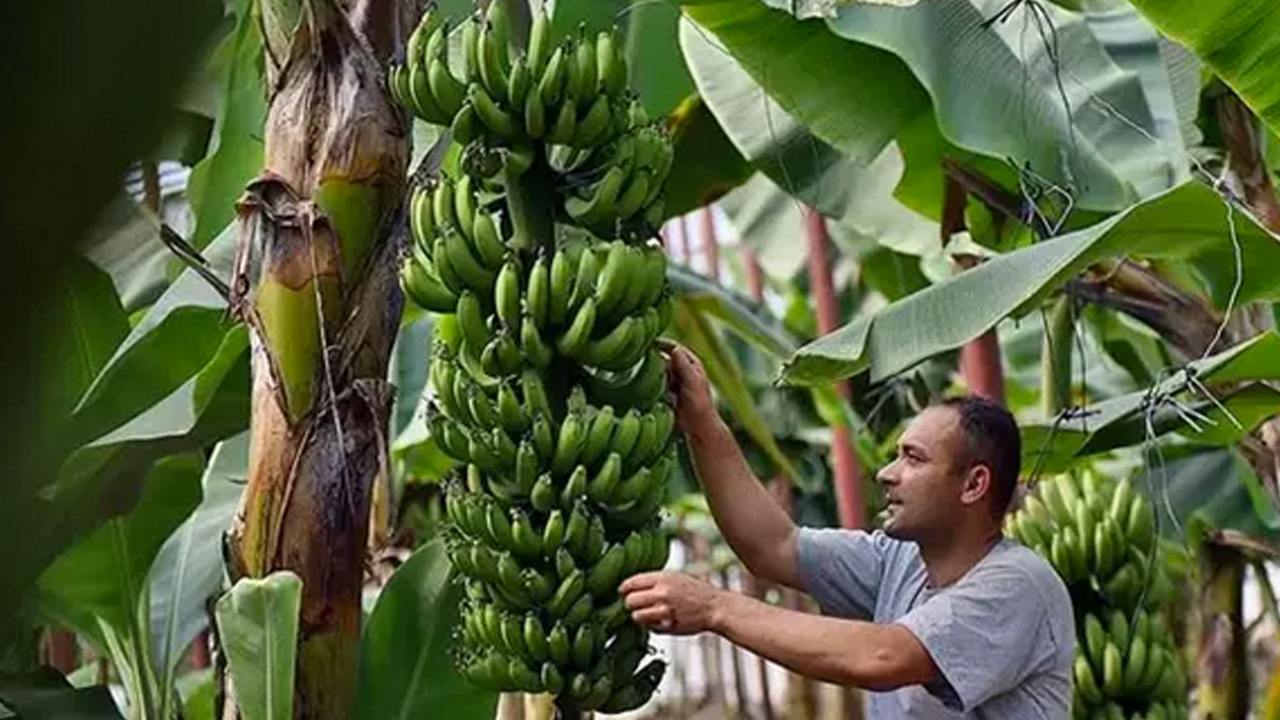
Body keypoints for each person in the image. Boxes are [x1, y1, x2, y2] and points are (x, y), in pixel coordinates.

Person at [619, 343, 1076, 718]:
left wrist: (714, 608)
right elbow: (773, 545)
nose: (886, 474)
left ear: (974, 484)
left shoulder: (1019, 586)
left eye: (913, 459)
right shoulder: (899, 561)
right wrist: (702, 421)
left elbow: (884, 657)